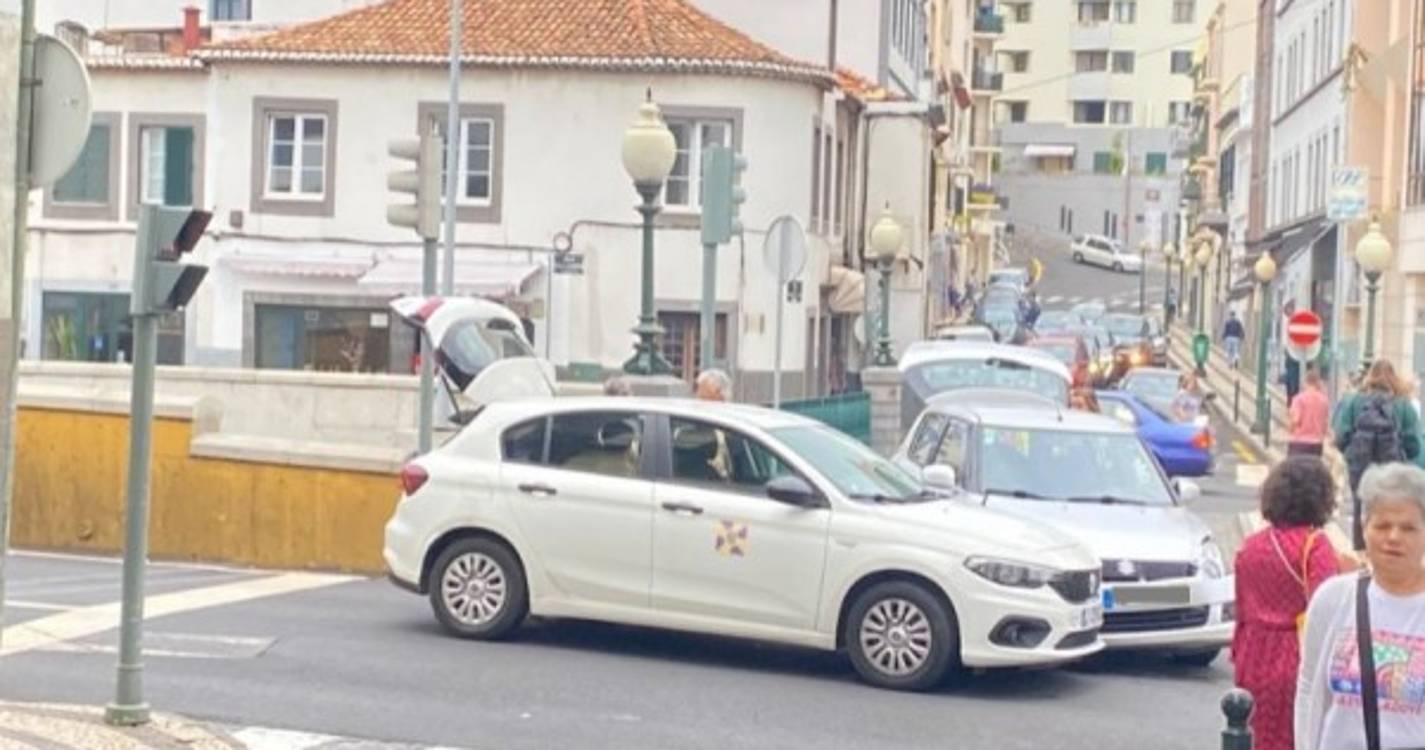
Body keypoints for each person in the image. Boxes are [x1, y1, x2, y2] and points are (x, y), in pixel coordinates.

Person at [1295, 463, 1425, 750]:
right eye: (1382, 525)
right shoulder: (1334, 598)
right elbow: (1309, 687)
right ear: (1364, 529)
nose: (1393, 537)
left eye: (1408, 528)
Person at [1232, 458, 1344, 750]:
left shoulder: (1251, 545)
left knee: (1253, 736)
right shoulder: (1315, 545)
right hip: (1297, 654)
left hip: (1253, 653)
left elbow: (1241, 609)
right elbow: (1328, 609)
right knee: (1295, 737)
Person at [1334, 360, 1422, 547]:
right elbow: (1414, 445)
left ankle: (1362, 552)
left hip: (1361, 469)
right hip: (1394, 469)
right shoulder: (1404, 404)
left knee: (1362, 509)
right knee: (1392, 511)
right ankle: (1389, 550)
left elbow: (1341, 437)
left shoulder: (1354, 401)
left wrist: (1352, 454)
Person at [1288, 366, 1330, 457]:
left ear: (1305, 382)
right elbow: (1325, 424)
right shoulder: (1324, 400)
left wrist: (1290, 429)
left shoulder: (1299, 399)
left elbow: (1296, 420)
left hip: (1300, 443)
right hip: (1317, 445)